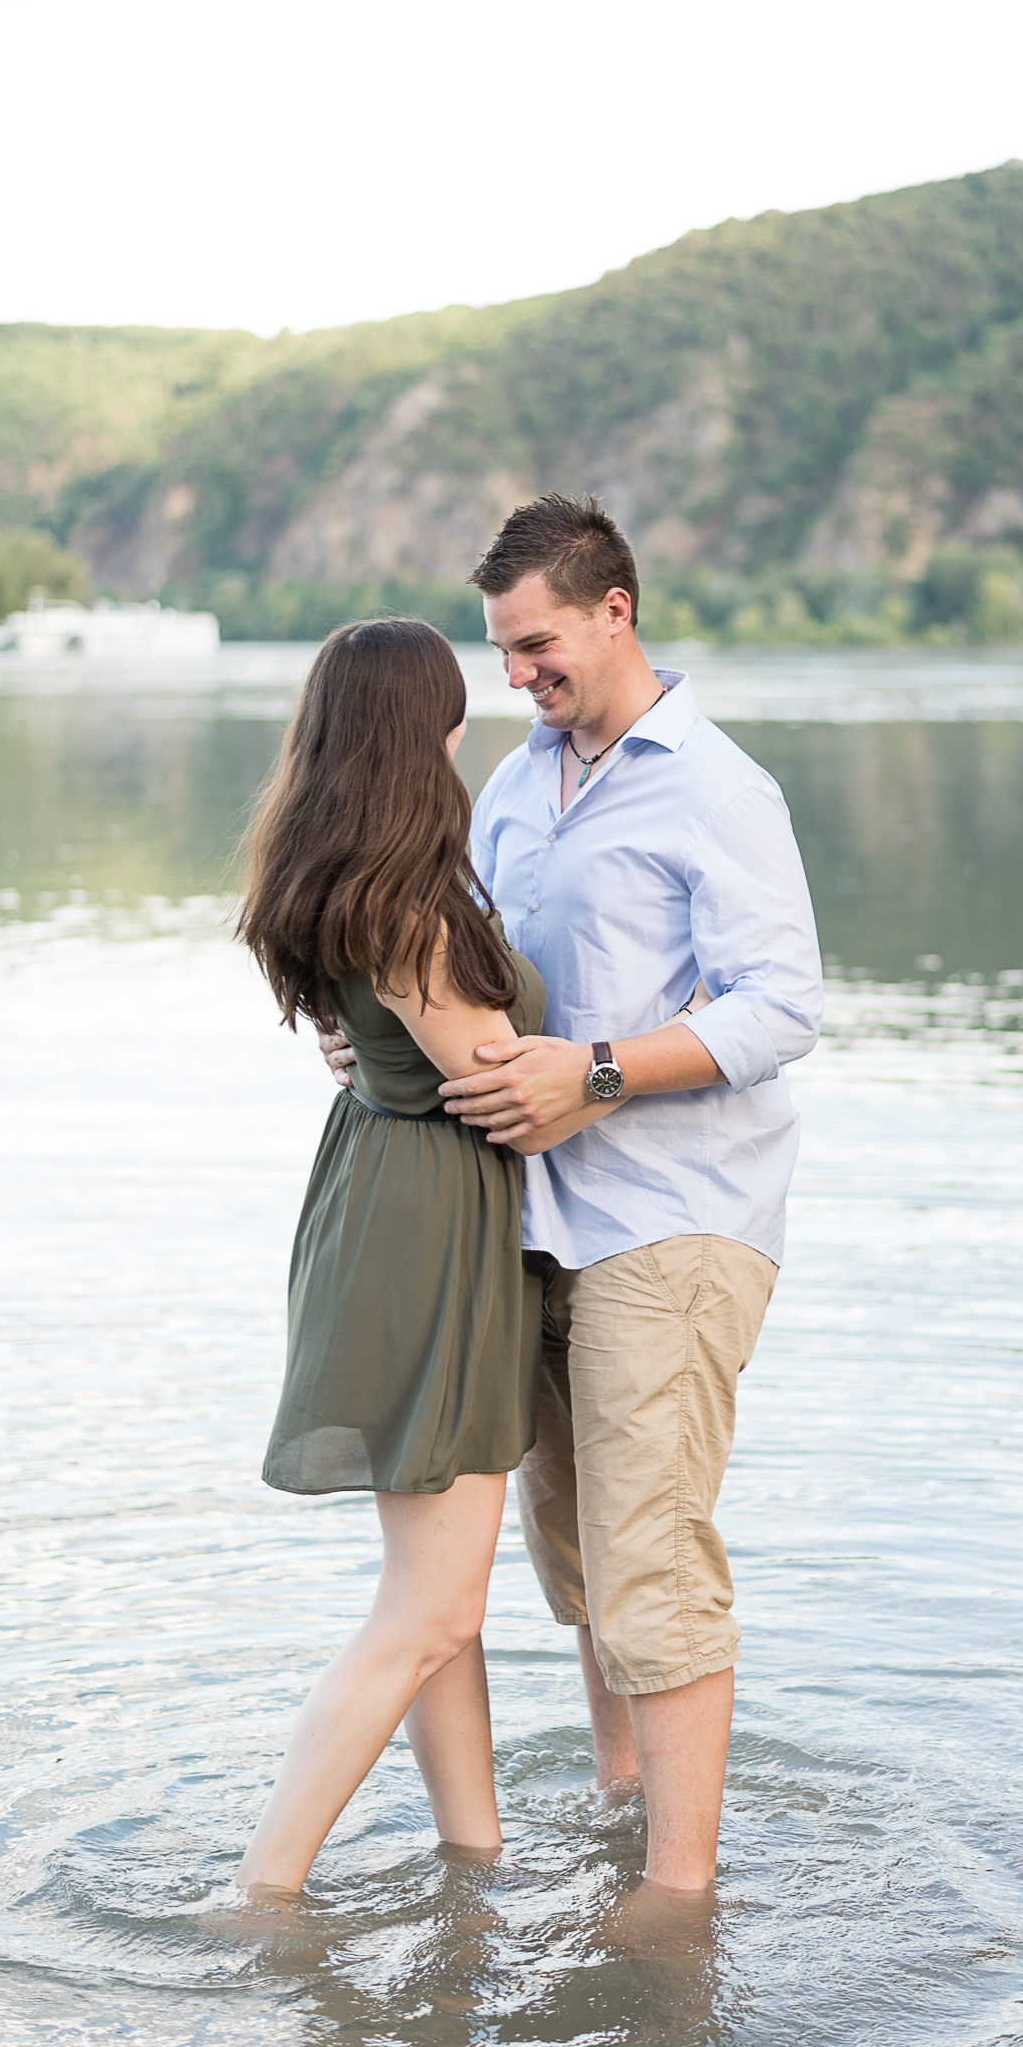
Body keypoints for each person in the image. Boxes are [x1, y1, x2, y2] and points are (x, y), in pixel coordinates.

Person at [320, 497, 823, 1893]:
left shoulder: (715, 786)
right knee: (582, 1568)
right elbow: (460, 984)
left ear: (616, 610)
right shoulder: (510, 791)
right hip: (528, 1226)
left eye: (537, 644)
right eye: (500, 652)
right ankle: (620, 1820)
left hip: (675, 1214)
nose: (519, 675)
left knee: (651, 1556)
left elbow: (785, 1005)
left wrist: (596, 1072)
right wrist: (368, 1024)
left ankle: (677, 1902)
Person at [233, 618, 622, 1896]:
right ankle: (263, 1887)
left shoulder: (343, 874)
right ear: (424, 733)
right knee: (434, 1611)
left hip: (381, 1208)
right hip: (426, 1234)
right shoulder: (408, 899)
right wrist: (685, 1056)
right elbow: (501, 1083)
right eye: (457, 710)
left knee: (432, 1600)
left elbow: (402, 1047)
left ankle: (477, 1859)